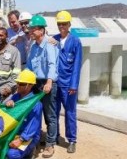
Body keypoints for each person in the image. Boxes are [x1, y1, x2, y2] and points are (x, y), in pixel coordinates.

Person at [26, 15, 58, 158]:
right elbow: (29, 67)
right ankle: (35, 143)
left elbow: (52, 65)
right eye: (30, 29)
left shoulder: (50, 44)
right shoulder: (33, 47)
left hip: (47, 82)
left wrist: (49, 82)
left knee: (49, 115)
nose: (30, 32)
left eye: (33, 29)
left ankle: (50, 144)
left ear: (42, 30)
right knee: (35, 114)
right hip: (35, 83)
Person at [53, 11, 82, 153]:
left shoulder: (75, 41)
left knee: (70, 112)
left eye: (64, 24)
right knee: (54, 111)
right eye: (59, 24)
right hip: (55, 83)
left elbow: (77, 64)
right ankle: (55, 135)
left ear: (69, 24)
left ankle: (72, 140)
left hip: (68, 84)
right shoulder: (54, 39)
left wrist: (74, 84)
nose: (61, 26)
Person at [5, 70, 42, 159]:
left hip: (29, 136)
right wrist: (8, 104)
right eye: (18, 83)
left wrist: (21, 140)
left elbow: (32, 126)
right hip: (15, 131)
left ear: (30, 86)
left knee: (12, 154)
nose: (18, 85)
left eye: (21, 84)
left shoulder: (36, 104)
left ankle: (31, 150)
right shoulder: (15, 97)